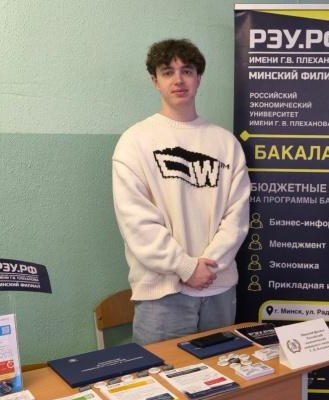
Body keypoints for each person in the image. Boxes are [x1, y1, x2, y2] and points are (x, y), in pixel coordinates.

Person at [112, 39, 251, 345]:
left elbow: (237, 216)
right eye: (168, 72)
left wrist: (208, 266)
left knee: (223, 373)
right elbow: (136, 222)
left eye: (187, 71)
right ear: (155, 80)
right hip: (162, 295)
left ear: (198, 78)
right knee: (161, 375)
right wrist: (186, 268)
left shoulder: (225, 143)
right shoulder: (135, 142)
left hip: (219, 289)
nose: (178, 80)